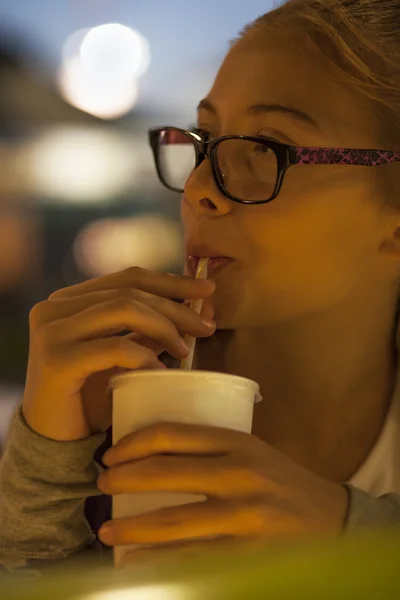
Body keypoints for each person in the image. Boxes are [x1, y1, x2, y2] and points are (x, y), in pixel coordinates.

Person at [1, 0, 400, 572]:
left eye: (266, 147)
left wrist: (347, 534)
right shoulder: (109, 396)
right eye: (204, 138)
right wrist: (43, 470)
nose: (197, 188)